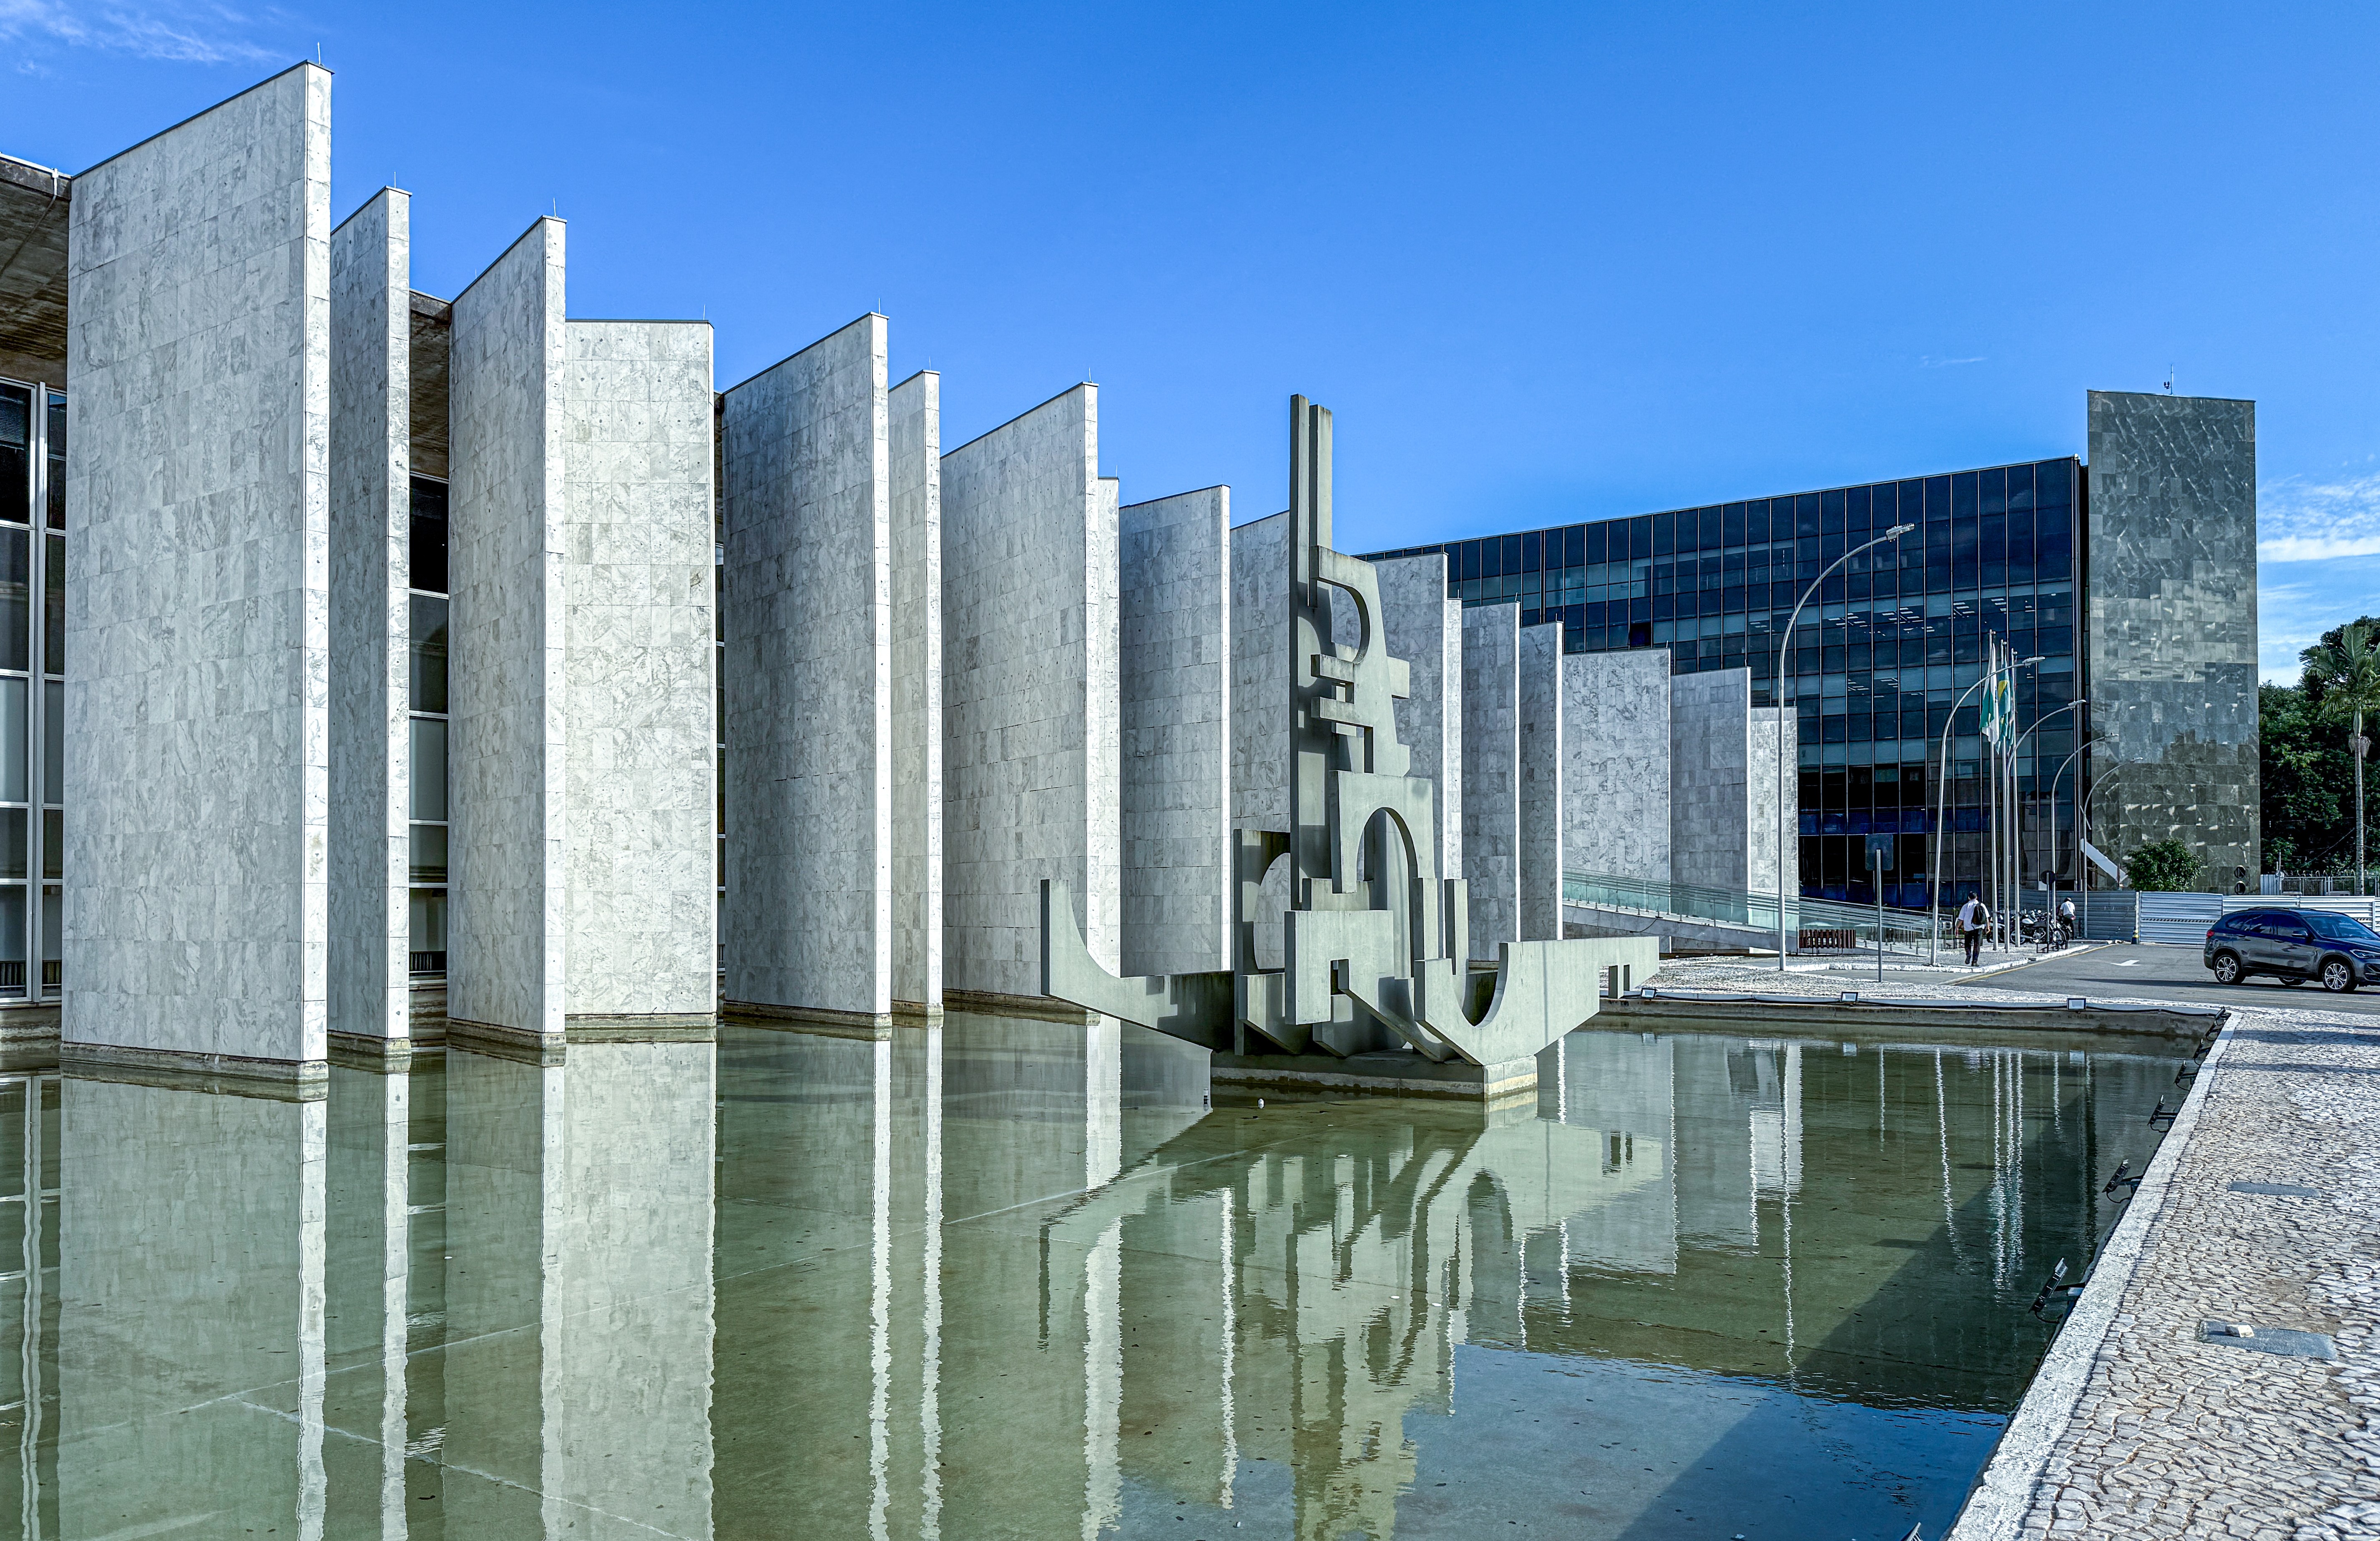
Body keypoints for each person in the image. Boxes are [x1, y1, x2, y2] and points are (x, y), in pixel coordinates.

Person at [1958, 895, 1989, 966]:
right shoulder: (1982, 905)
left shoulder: (1966, 906)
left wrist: (1957, 927)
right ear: (1977, 897)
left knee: (1968, 943)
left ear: (1969, 898)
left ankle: (1968, 954)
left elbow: (1961, 919)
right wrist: (1988, 927)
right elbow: (1987, 917)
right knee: (1977, 945)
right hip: (1979, 927)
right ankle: (1974, 961)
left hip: (1968, 928)